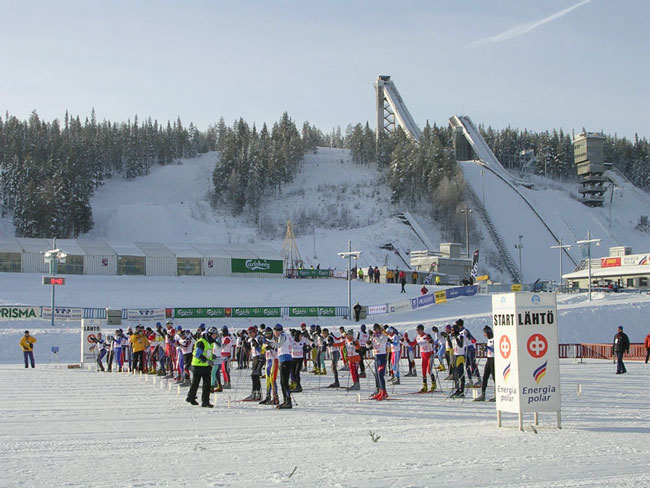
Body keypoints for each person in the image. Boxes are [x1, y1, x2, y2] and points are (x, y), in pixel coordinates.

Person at [186, 327, 218, 408]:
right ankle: (191, 397)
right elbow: (197, 354)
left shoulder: (210, 342)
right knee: (196, 383)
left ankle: (204, 401)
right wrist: (207, 360)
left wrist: (212, 356)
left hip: (206, 366)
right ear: (209, 334)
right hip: (198, 366)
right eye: (214, 335)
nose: (215, 337)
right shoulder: (201, 342)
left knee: (207, 385)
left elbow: (207, 352)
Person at [273, 324, 294, 409]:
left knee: (284, 382)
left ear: (277, 331)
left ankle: (288, 401)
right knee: (283, 382)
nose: (274, 333)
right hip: (285, 359)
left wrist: (270, 344)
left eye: (274, 331)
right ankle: (286, 400)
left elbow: (279, 345)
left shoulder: (282, 335)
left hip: (285, 360)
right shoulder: (285, 335)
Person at [243, 326, 265, 401]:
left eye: (250, 333)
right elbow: (249, 350)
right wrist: (245, 345)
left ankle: (257, 393)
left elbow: (264, 348)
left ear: (254, 332)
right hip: (255, 357)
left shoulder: (259, 338)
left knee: (255, 375)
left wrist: (258, 346)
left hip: (260, 357)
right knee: (254, 376)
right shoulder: (251, 339)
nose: (249, 334)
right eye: (248, 333)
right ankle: (255, 392)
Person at [368, 324, 389, 400]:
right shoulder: (374, 337)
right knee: (377, 376)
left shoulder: (383, 336)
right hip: (376, 357)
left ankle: (384, 392)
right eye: (374, 330)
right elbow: (369, 346)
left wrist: (374, 336)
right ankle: (380, 391)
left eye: (376, 329)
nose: (375, 331)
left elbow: (380, 342)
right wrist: (369, 342)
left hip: (382, 357)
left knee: (380, 375)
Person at [474, 326, 495, 402]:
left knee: (494, 378)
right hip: (489, 359)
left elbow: (496, 350)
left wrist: (487, 348)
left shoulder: (494, 339)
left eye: (485, 333)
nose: (484, 335)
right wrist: (485, 348)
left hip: (494, 359)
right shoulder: (489, 340)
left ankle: (496, 394)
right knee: (485, 376)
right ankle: (483, 394)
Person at [414, 325, 436, 392]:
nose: (417, 331)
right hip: (423, 355)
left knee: (429, 370)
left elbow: (431, 341)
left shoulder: (426, 335)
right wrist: (405, 340)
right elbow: (412, 343)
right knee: (423, 371)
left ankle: (433, 384)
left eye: (418, 330)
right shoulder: (417, 337)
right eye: (417, 330)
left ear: (422, 330)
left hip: (430, 354)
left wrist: (430, 340)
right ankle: (424, 386)